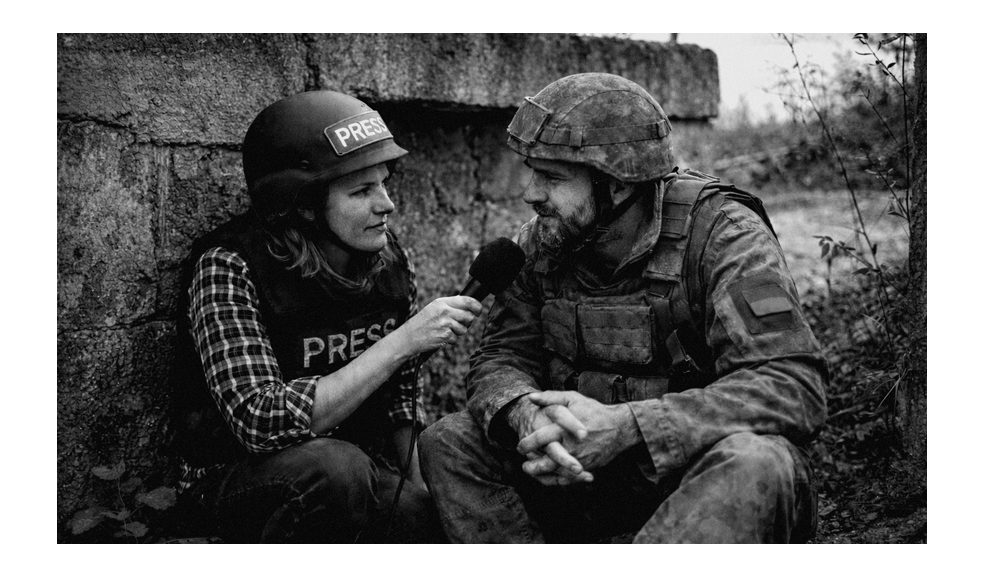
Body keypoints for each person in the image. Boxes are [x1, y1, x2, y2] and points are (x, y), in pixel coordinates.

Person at [418, 73, 828, 544]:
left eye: (552, 177)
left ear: (614, 185)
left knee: (756, 462)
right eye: (532, 171)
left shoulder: (723, 235)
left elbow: (792, 385)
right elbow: (502, 356)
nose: (531, 193)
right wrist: (525, 413)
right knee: (449, 442)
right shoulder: (542, 243)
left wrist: (629, 426)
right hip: (580, 477)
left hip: (689, 479)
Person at [168, 90, 483, 543]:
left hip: (350, 472)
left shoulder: (389, 261)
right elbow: (260, 421)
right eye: (362, 191)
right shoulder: (232, 266)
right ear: (305, 204)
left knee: (422, 517)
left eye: (383, 184)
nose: (387, 204)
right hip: (234, 475)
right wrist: (399, 344)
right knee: (337, 468)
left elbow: (400, 400)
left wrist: (423, 492)